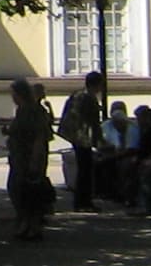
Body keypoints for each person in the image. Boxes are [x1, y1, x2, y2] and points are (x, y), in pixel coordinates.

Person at [6, 77, 54, 241]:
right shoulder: (21, 110)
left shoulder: (33, 110)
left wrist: (35, 159)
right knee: (18, 191)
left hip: (30, 158)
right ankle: (25, 223)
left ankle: (32, 225)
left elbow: (40, 136)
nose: (12, 98)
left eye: (14, 94)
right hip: (19, 157)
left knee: (29, 192)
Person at [58, 72, 106, 212]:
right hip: (83, 137)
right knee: (85, 170)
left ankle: (82, 202)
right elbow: (94, 123)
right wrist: (100, 141)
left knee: (83, 169)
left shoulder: (76, 95)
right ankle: (84, 203)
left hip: (75, 135)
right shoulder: (89, 99)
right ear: (96, 85)